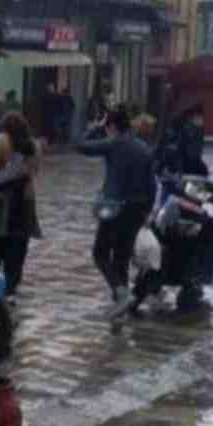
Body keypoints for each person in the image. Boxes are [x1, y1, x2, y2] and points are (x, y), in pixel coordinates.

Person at [76, 109, 155, 310]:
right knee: (122, 257)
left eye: (107, 128)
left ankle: (119, 291)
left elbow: (80, 145)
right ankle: (121, 303)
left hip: (114, 208)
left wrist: (95, 127)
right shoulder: (144, 148)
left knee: (100, 253)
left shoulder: (113, 143)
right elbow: (151, 184)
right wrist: (148, 211)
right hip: (137, 210)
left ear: (111, 127)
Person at [0, 112, 42, 302]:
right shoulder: (34, 144)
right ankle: (10, 289)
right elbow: (35, 170)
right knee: (18, 247)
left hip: (0, 201)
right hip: (25, 201)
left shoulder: (1, 140)